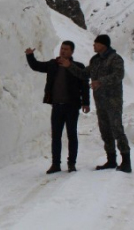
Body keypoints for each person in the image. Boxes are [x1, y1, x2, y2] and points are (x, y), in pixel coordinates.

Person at [58, 34, 132, 173]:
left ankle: (126, 161)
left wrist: (101, 81)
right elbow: (84, 74)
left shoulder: (115, 59)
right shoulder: (95, 60)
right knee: (105, 130)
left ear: (103, 45)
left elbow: (118, 75)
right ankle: (111, 160)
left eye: (96, 43)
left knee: (117, 129)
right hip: (100, 101)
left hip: (113, 100)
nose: (93, 45)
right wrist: (70, 66)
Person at [25, 41, 90, 174]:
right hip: (57, 106)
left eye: (66, 49)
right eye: (62, 48)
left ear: (72, 52)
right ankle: (56, 164)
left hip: (72, 106)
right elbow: (36, 66)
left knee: (72, 135)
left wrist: (86, 102)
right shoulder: (52, 64)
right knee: (56, 136)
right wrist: (30, 56)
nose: (63, 51)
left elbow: (84, 85)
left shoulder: (78, 66)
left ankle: (71, 163)